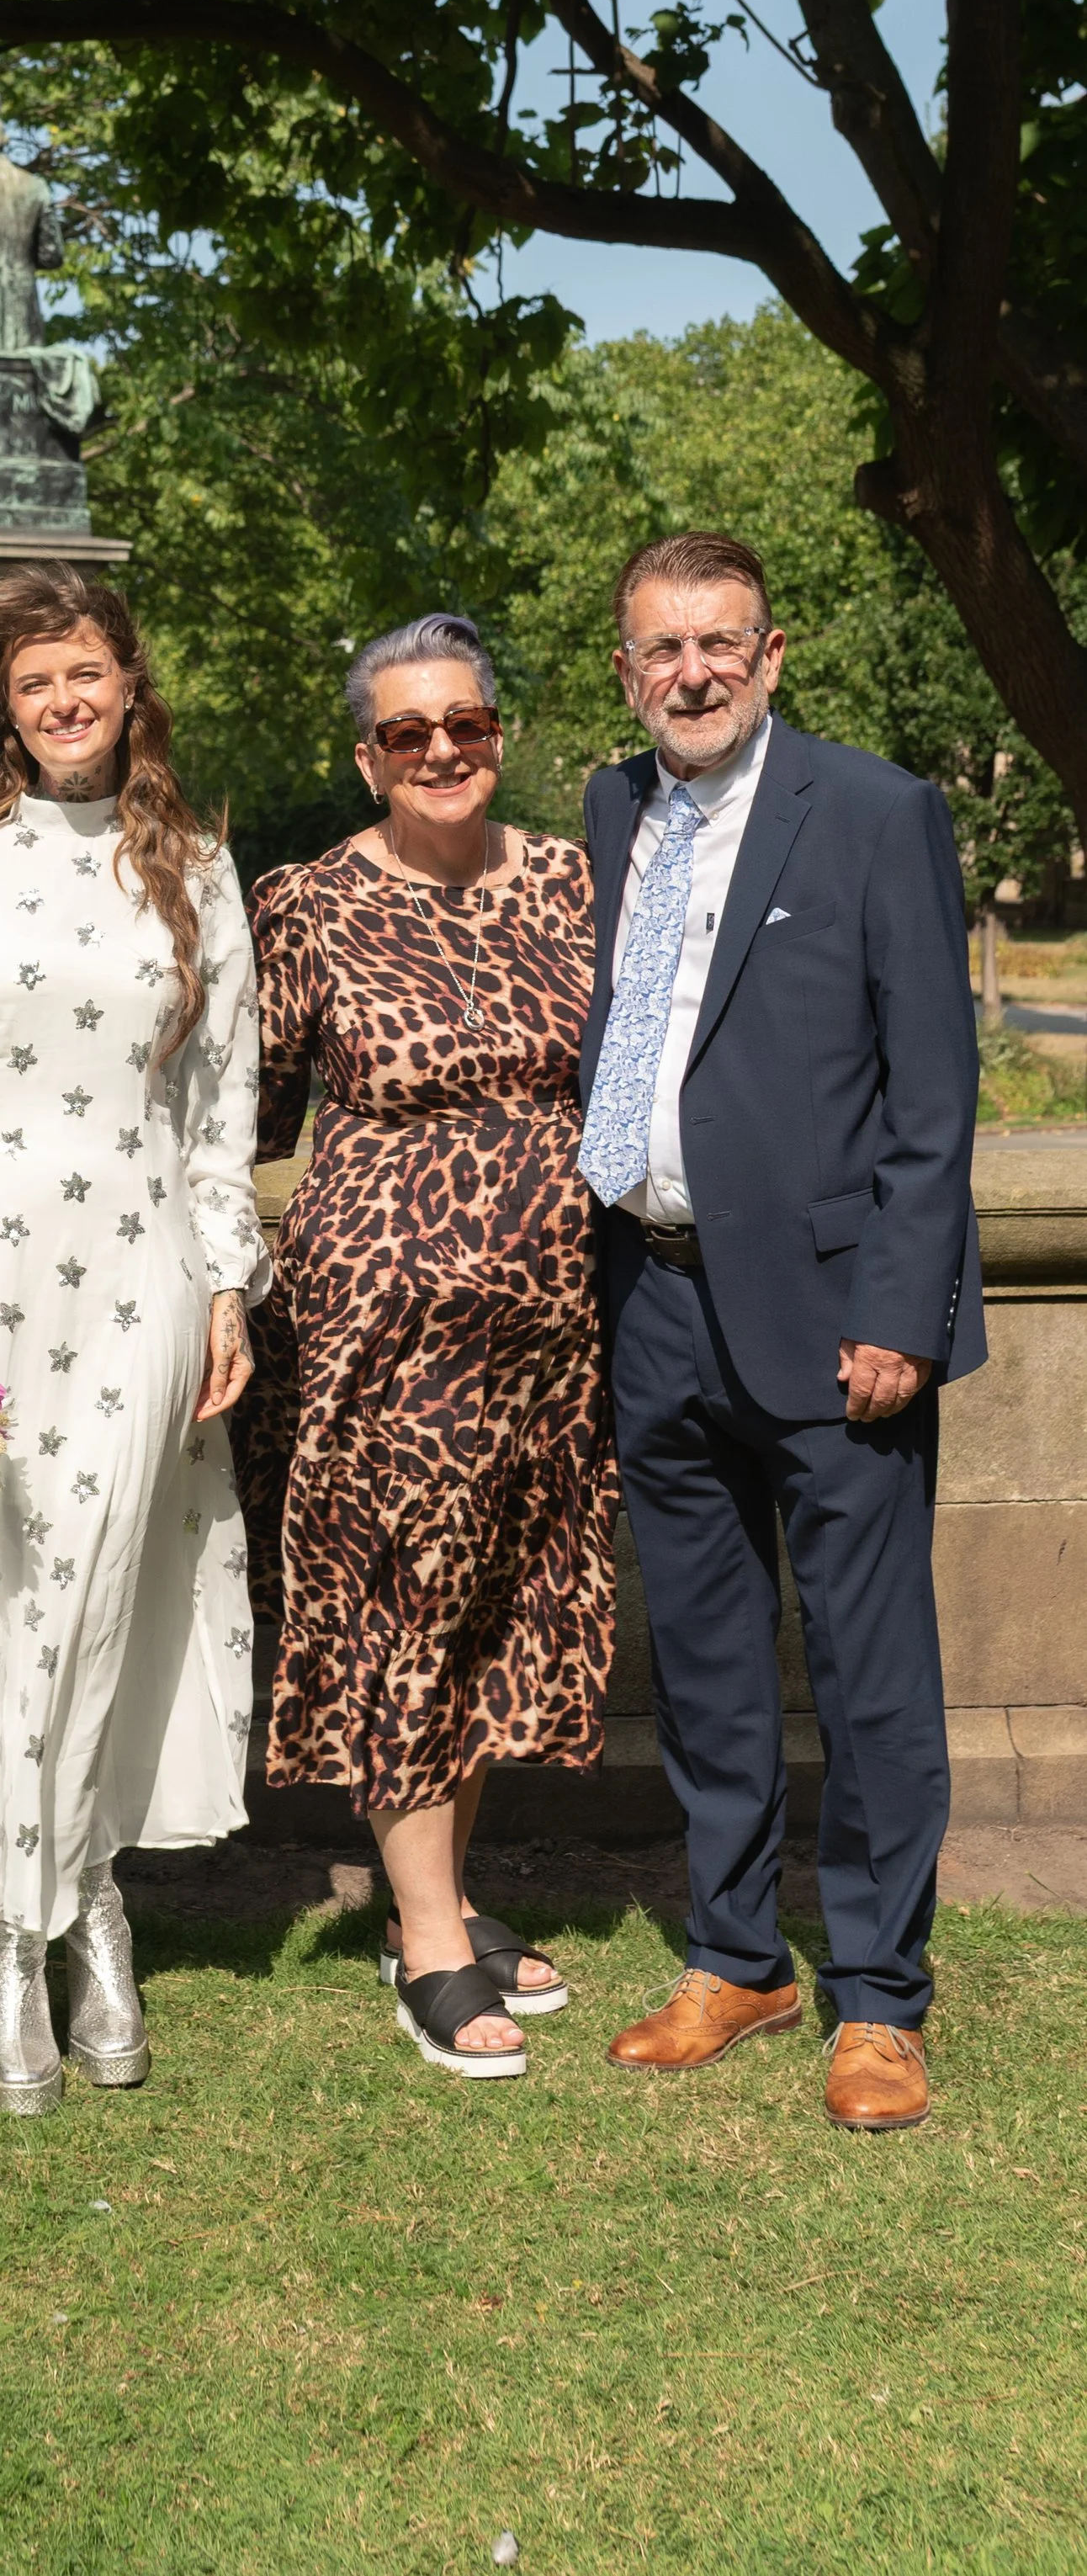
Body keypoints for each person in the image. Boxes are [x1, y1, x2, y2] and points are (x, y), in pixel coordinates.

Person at [0, 564, 268, 2115]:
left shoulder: (200, 869)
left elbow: (224, 1104)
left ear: (127, 684)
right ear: (1, 711)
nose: (66, 703)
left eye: (87, 675)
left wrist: (228, 1280)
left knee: (101, 1583)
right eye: (35, 685)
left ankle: (87, 1906)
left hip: (143, 1277)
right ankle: (23, 1933)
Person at [580, 532, 982, 2133]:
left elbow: (933, 1097)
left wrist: (902, 1312)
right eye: (664, 648)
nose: (693, 672)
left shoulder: (878, 812)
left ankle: (880, 1999)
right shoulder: (614, 810)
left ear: (772, 655)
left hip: (833, 1329)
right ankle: (735, 1955)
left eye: (721, 645)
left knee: (873, 1676)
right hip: (653, 1303)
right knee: (707, 1663)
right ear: (628, 669)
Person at [234, 613, 618, 2080]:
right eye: (409, 732)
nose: (443, 750)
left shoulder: (583, 885)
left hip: (553, 1338)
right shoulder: (309, 903)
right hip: (380, 1335)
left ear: (500, 732)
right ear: (366, 756)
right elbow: (249, 1117)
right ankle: (434, 1953)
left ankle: (435, 1903)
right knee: (404, 1612)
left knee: (491, 1617)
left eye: (466, 723)